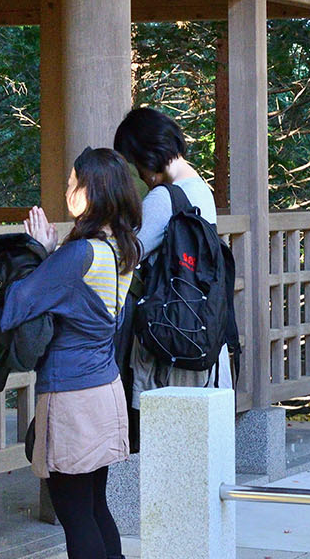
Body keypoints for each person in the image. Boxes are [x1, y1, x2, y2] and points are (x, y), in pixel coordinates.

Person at [0, 148, 142, 559]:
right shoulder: (122, 248)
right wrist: (51, 257)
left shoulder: (79, 253)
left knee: (75, 515)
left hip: (71, 396)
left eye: (71, 182)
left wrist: (38, 250)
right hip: (104, 389)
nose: (66, 190)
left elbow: (17, 305)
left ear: (92, 191)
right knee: (96, 507)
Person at [114, 106, 235, 404]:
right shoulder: (200, 189)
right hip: (199, 326)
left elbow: (124, 255)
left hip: (170, 335)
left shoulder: (165, 197)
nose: (138, 174)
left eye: (135, 163)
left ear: (146, 154)